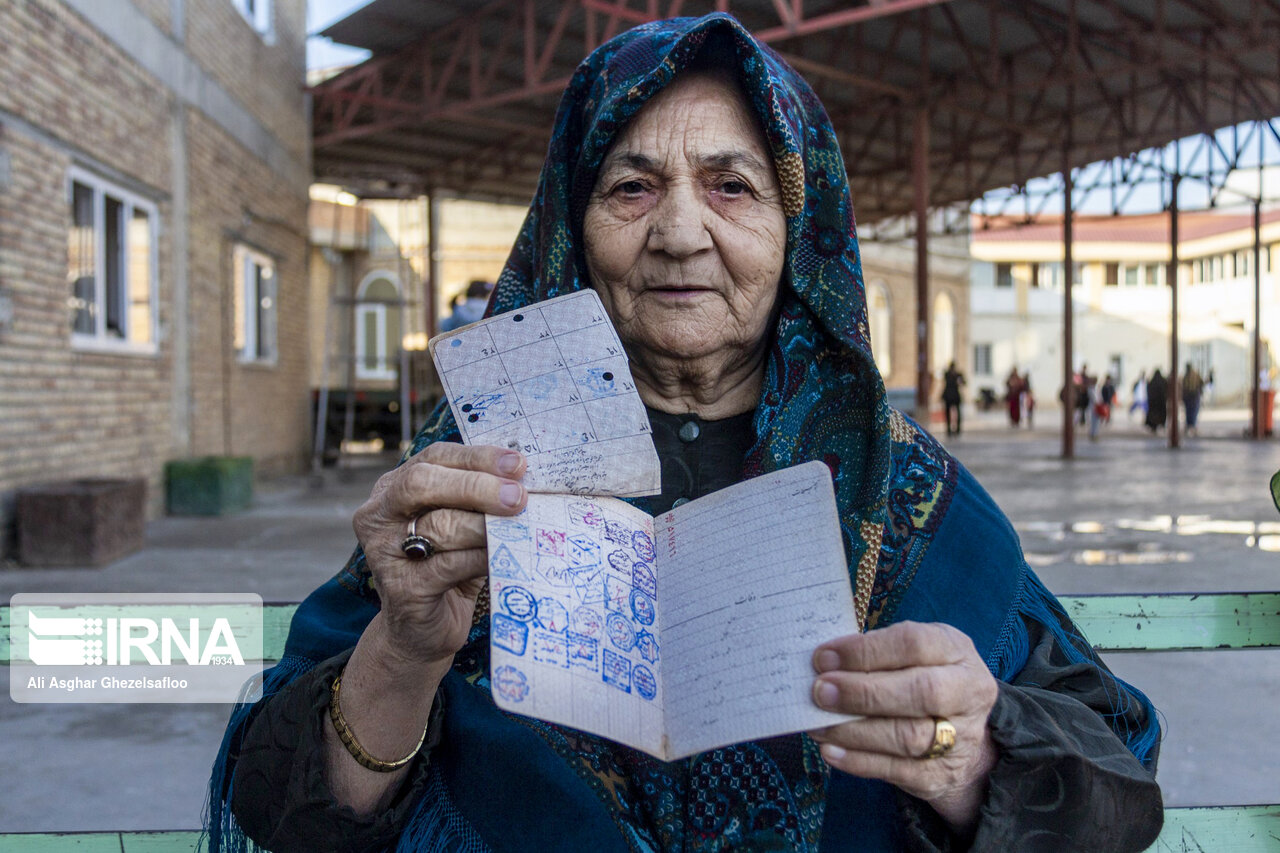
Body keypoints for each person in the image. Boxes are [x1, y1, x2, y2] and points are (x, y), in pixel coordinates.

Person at [208, 16, 1161, 852]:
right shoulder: (465, 476)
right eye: (631, 186)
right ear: (572, 226)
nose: (678, 232)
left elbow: (1117, 775)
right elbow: (287, 809)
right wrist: (405, 649)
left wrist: (976, 754)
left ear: (800, 228)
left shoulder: (898, 486)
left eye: (732, 187)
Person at [940, 361, 965, 437]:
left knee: (958, 413)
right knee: (947, 413)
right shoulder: (947, 374)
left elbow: (963, 382)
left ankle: (957, 430)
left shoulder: (958, 375)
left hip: (955, 396)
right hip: (948, 396)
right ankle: (949, 430)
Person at [1182, 363, 1205, 436]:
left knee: (1190, 411)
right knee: (1193, 411)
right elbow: (1201, 383)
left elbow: (1183, 387)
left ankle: (1190, 426)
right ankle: (1192, 426)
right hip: (1194, 396)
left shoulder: (1186, 376)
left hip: (1189, 397)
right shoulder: (1195, 375)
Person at [1146, 368, 1169, 433]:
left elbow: (1149, 390)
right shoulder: (1163, 381)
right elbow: (1166, 390)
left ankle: (1154, 426)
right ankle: (1160, 424)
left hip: (1153, 402)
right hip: (1161, 402)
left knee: (1153, 414)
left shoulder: (1152, 381)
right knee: (1161, 414)